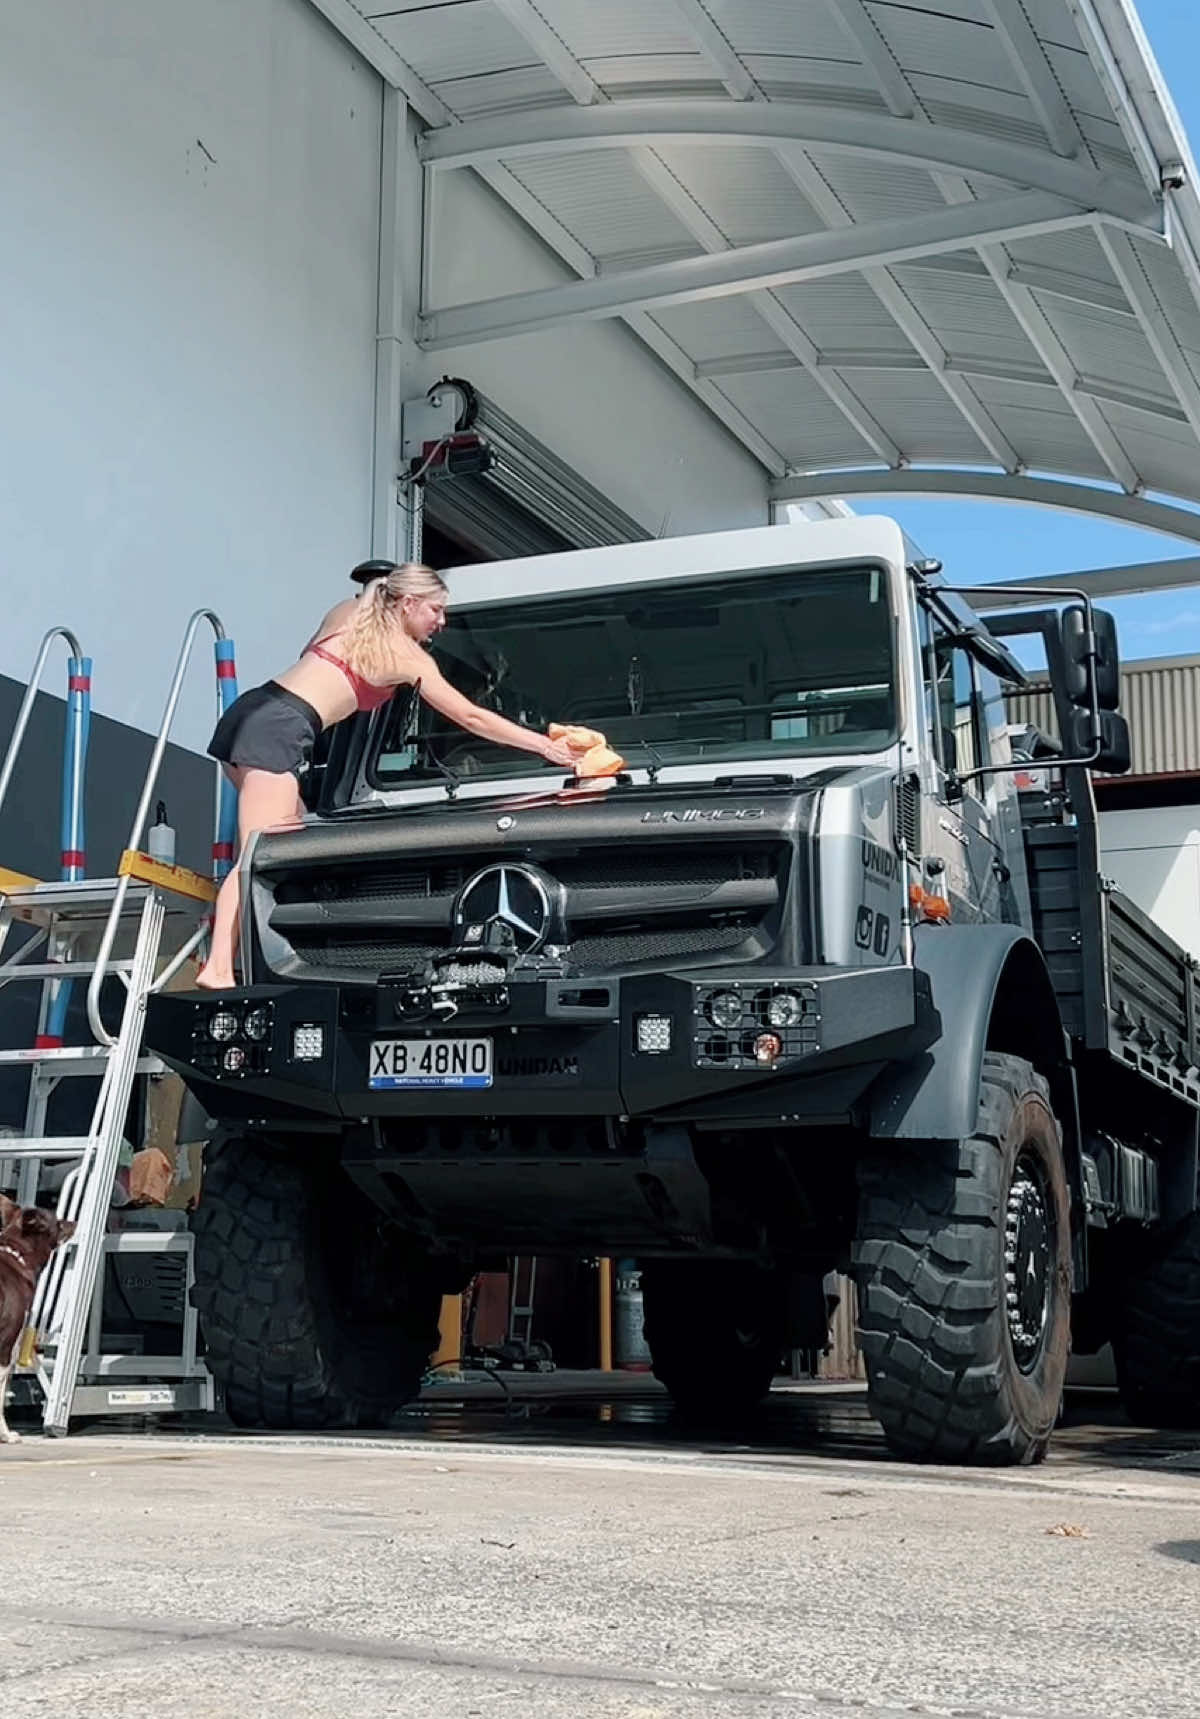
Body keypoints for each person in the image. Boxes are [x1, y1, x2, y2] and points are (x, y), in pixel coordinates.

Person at [195, 561, 578, 990]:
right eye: (435, 609)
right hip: (282, 728)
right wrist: (546, 747)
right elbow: (471, 717)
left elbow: (325, 643)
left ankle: (245, 952)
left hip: (254, 710)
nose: (442, 621)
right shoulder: (403, 654)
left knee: (290, 839)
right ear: (409, 603)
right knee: (259, 855)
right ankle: (218, 969)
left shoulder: (347, 612)